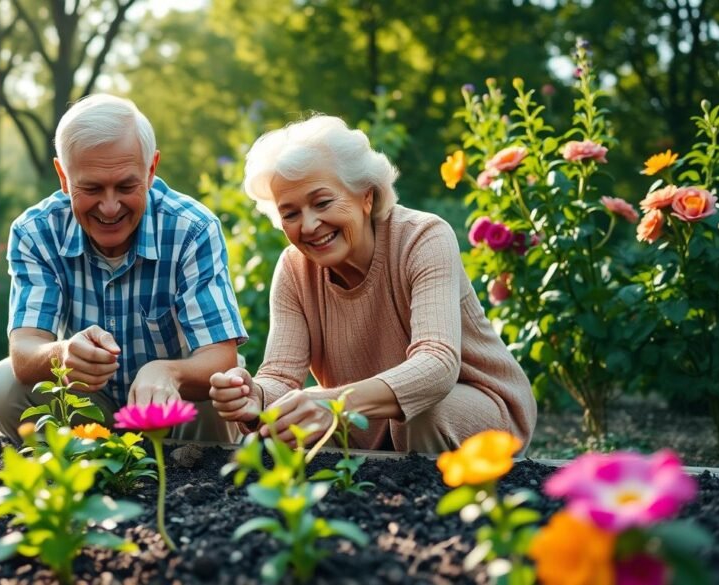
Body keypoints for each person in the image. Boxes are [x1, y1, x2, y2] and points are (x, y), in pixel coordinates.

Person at [209, 115, 537, 452]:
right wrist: (256, 396)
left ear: (365, 196)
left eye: (322, 203)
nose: (308, 225)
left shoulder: (423, 238)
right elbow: (280, 375)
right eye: (290, 213)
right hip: (365, 421)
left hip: (477, 407)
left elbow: (438, 363)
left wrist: (331, 401)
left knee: (421, 413)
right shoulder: (294, 268)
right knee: (293, 433)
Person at [0, 94, 247, 444]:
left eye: (126, 186)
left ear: (151, 170)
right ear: (63, 176)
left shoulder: (191, 229)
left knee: (222, 385)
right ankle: (85, 475)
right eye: (91, 188)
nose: (109, 207)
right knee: (4, 385)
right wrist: (62, 354)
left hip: (177, 411)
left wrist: (168, 372)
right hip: (90, 410)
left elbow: (221, 356)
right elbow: (25, 350)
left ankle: (200, 480)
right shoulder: (36, 231)